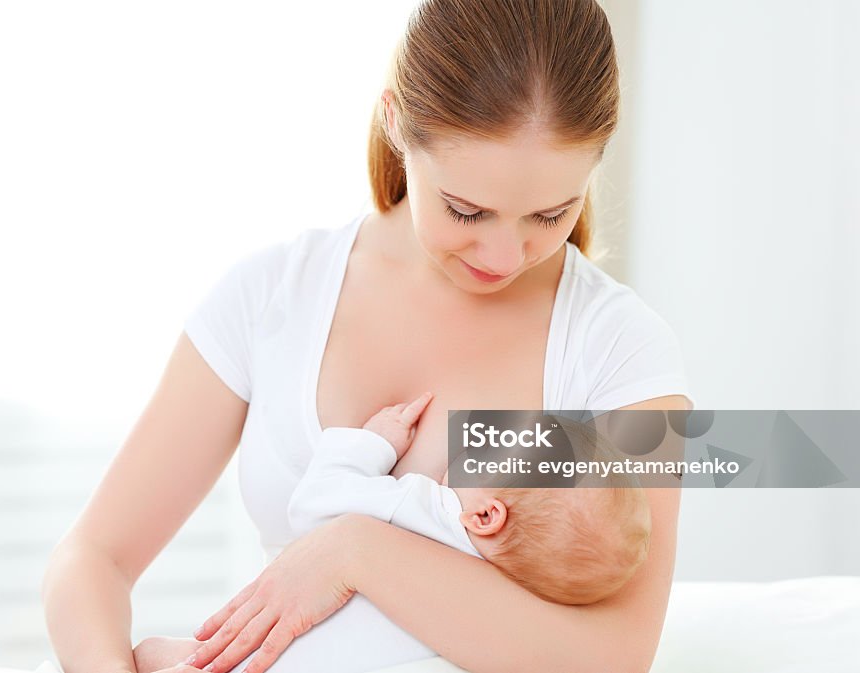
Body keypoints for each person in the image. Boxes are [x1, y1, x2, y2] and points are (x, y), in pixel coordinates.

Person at [41, 1, 694, 672]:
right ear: (395, 121)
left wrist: (355, 552)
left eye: (551, 213)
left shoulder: (618, 348)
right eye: (467, 209)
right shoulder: (272, 297)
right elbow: (93, 557)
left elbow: (616, 654)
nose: (504, 255)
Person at [288, 394, 653, 608]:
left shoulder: (429, 512)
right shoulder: (506, 592)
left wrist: (374, 444)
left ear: (485, 516)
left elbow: (315, 504)